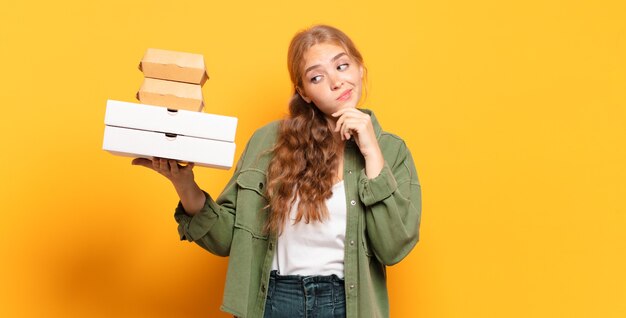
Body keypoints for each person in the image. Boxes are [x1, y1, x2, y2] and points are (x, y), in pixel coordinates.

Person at [132, 24, 422, 318]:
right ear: (304, 93)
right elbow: (227, 240)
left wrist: (371, 152)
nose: (336, 82)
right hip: (274, 302)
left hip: (347, 305)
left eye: (342, 65)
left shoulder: (392, 151)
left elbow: (393, 248)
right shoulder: (268, 142)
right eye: (317, 77)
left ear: (359, 68)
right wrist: (185, 185)